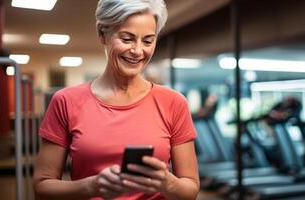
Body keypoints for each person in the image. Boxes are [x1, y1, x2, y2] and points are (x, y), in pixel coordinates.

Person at [33, 0, 199, 199]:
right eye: (127, 39)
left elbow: (190, 190)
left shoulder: (174, 103)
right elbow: (42, 188)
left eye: (148, 41)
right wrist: (91, 186)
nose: (138, 51)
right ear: (102, 34)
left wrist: (167, 183)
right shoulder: (65, 101)